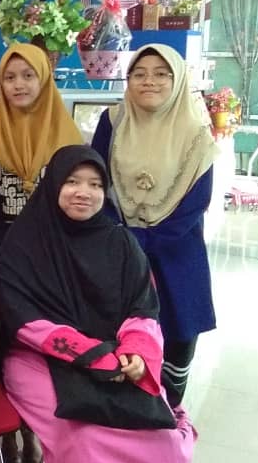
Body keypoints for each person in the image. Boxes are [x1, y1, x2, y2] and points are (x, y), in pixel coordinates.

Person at [0, 145, 204, 463]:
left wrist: (136, 354)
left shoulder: (119, 242)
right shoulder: (25, 243)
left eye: (94, 184)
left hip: (119, 358)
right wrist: (95, 356)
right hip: (40, 360)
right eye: (72, 182)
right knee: (84, 436)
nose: (83, 192)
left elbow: (144, 308)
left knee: (159, 432)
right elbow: (23, 319)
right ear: (53, 185)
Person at [91, 45, 217, 407]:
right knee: (119, 347)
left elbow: (196, 202)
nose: (150, 81)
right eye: (140, 73)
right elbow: (95, 180)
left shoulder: (197, 133)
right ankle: (125, 427)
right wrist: (121, 235)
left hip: (177, 254)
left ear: (178, 81)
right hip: (119, 254)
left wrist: (144, 239)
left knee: (176, 343)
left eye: (162, 74)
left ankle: (168, 420)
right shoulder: (113, 121)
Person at [0, 41, 83, 242]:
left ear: (44, 78)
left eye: (28, 75)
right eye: (9, 77)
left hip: (58, 243)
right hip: (4, 245)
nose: (18, 85)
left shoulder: (69, 138)